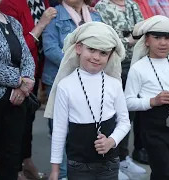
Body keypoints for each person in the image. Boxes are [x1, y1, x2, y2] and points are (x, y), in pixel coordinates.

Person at [44, 21, 131, 180]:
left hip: (109, 164)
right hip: (78, 165)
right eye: (91, 49)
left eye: (103, 53)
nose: (96, 57)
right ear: (78, 48)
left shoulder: (114, 85)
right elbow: (59, 130)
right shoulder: (65, 86)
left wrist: (112, 141)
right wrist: (55, 170)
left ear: (110, 55)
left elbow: (124, 121)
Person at [125, 15, 169, 180]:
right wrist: (152, 101)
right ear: (147, 40)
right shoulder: (138, 68)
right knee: (166, 174)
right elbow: (128, 102)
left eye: (167, 38)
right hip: (152, 128)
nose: (163, 43)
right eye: (157, 38)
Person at [42, 0, 101, 178]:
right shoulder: (54, 14)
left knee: (88, 129)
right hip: (60, 79)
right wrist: (78, 64)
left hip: (91, 79)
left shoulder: (95, 15)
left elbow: (104, 44)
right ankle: (61, 174)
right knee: (61, 131)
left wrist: (89, 65)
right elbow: (50, 48)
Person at [0, 0, 57, 179]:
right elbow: (15, 48)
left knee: (28, 121)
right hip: (15, 75)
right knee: (14, 128)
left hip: (34, 70)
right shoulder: (9, 3)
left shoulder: (41, 1)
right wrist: (41, 25)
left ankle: (26, 163)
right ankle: (16, 170)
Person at [95, 0, 147, 178]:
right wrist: (129, 40)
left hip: (134, 67)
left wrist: (130, 39)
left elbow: (142, 32)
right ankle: (111, 160)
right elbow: (107, 40)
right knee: (112, 114)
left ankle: (123, 158)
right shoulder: (102, 6)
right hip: (113, 67)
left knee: (128, 114)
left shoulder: (132, 5)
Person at [0, 0, 35, 179]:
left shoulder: (13, 22)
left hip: (16, 101)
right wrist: (17, 80)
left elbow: (27, 58)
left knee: (11, 159)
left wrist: (25, 85)